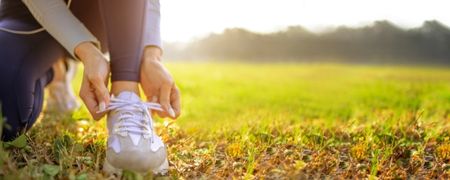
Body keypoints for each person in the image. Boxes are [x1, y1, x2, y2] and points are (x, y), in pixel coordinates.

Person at [0, 0, 181, 175]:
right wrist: (87, 52)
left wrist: (151, 55)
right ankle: (57, 71)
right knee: (5, 117)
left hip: (101, 16)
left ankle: (126, 94)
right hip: (26, 18)